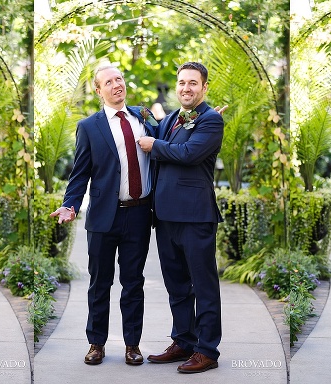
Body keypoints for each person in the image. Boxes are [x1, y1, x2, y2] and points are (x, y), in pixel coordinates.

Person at [50, 64, 154, 366]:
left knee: (134, 283)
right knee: (100, 283)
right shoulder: (89, 126)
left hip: (139, 214)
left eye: (119, 78)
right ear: (98, 90)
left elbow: (169, 145)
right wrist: (70, 204)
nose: (116, 85)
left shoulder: (143, 118)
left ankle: (132, 344)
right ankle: (96, 343)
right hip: (103, 219)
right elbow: (79, 173)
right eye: (108, 82)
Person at [138, 61, 224, 374]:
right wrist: (135, 113)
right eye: (182, 83)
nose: (186, 88)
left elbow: (188, 153)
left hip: (195, 216)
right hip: (165, 217)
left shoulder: (212, 120)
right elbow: (154, 133)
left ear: (204, 87)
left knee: (203, 285)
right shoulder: (173, 117)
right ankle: (184, 340)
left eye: (193, 83)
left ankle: (207, 350)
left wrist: (154, 145)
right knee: (177, 286)